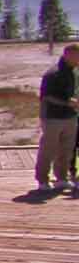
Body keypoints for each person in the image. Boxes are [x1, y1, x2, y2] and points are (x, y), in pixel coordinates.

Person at [36, 43, 79, 192]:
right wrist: (68, 102)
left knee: (66, 150)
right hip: (53, 117)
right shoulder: (53, 73)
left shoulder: (72, 71)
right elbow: (46, 96)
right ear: (68, 55)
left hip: (70, 117)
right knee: (48, 149)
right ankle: (42, 180)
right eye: (77, 56)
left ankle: (61, 178)